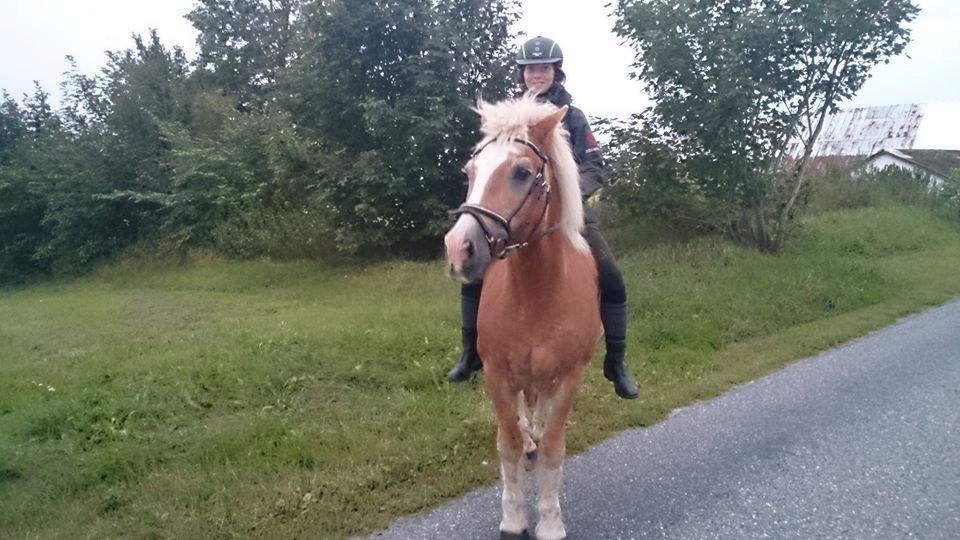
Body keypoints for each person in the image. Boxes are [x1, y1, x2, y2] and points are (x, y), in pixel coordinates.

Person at [447, 36, 639, 399]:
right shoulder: (509, 116)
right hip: (516, 213)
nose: (537, 75)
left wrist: (568, 194)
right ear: (522, 74)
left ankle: (616, 361)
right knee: (474, 272)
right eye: (531, 69)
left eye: (544, 68)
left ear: (556, 73)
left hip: (569, 212)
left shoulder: (574, 117)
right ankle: (471, 351)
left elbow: (595, 166)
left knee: (611, 275)